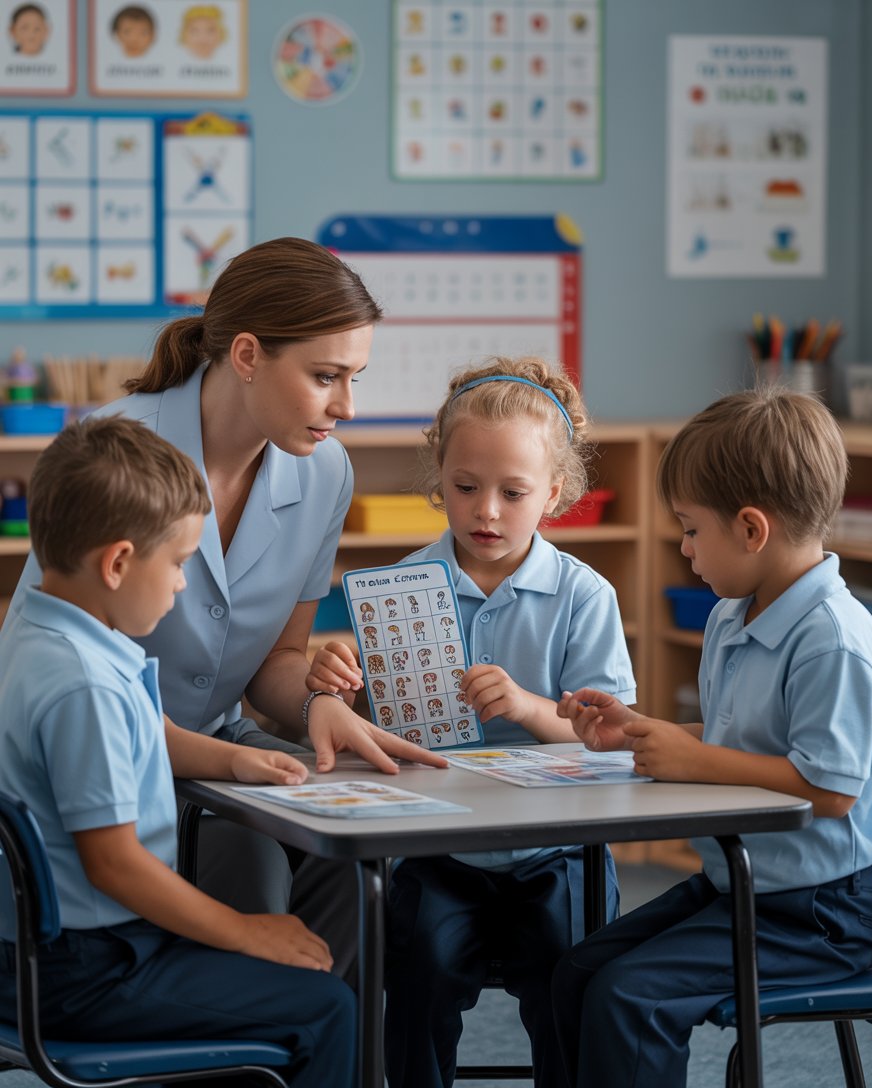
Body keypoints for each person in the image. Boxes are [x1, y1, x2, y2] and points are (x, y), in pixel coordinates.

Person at [8, 236, 447, 982]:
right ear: (247, 355)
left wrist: (315, 706)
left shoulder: (324, 472)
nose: (347, 406)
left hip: (222, 750)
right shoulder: (118, 451)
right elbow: (57, 655)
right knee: (250, 863)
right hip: (112, 762)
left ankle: (310, 1038)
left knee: (360, 860)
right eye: (325, 377)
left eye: (354, 378)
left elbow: (275, 662)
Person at [550, 386, 872, 1088]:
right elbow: (745, 739)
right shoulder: (732, 617)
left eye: (689, 528)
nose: (682, 548)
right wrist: (643, 735)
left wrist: (696, 758)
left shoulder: (835, 641)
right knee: (577, 972)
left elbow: (828, 788)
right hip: (737, 881)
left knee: (631, 1000)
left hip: (818, 912)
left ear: (750, 529)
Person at [309, 356, 636, 1088]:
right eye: (465, 488)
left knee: (570, 982)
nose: (486, 511)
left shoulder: (584, 596)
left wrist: (527, 706)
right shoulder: (403, 586)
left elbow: (612, 734)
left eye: (512, 492)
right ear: (439, 480)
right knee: (416, 983)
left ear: (554, 493)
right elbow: (379, 720)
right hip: (439, 848)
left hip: (557, 852)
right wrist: (338, 689)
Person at [0, 416, 355, 1088]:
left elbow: (147, 733)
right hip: (90, 969)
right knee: (326, 1006)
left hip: (47, 954)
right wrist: (247, 931)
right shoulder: (82, 685)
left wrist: (232, 758)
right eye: (180, 562)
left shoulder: (52, 635)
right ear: (118, 563)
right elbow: (115, 865)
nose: (184, 584)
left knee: (282, 981)